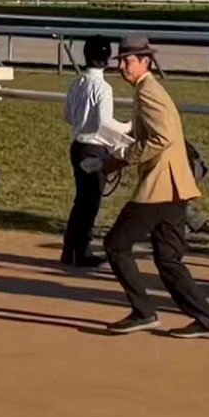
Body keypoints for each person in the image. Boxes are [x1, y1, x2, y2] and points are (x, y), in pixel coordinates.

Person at [96, 36, 209, 338]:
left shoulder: (149, 91)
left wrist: (120, 158)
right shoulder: (148, 90)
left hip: (159, 188)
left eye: (129, 61)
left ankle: (143, 312)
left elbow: (160, 138)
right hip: (173, 188)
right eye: (121, 60)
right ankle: (206, 320)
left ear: (146, 63)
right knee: (167, 259)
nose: (122, 66)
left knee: (116, 244)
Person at [61, 35, 127, 267]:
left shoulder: (77, 82)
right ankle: (82, 251)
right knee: (89, 204)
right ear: (107, 58)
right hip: (94, 148)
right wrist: (129, 128)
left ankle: (70, 250)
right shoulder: (104, 88)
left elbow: (68, 116)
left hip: (77, 145)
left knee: (81, 202)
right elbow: (105, 124)